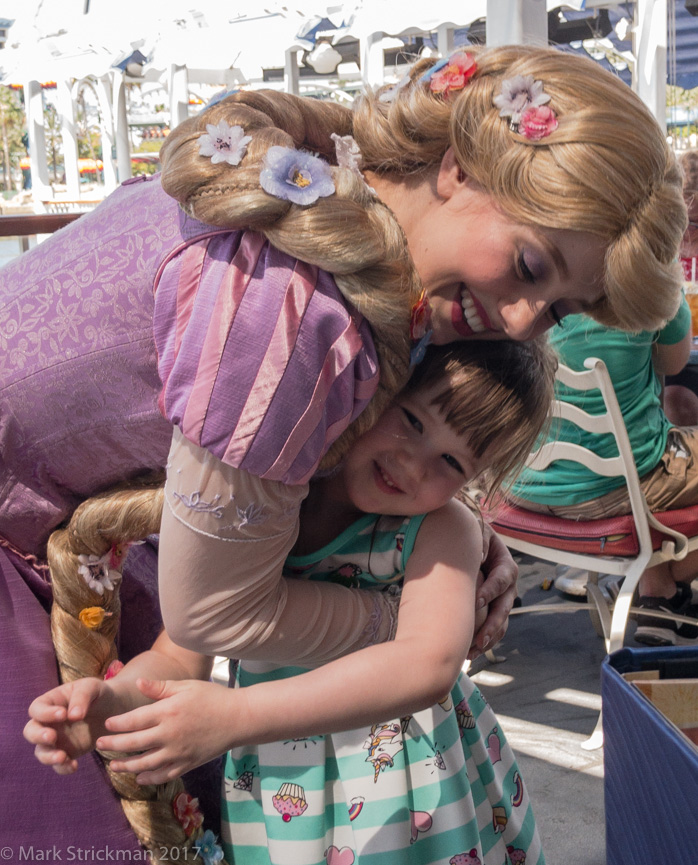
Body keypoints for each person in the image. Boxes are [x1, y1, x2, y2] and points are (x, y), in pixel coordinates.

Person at [2, 42, 687, 848]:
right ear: (460, 164)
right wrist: (420, 608)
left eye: (560, 309)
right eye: (531, 265)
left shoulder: (346, 231)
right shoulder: (295, 309)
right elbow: (211, 613)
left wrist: (455, 548)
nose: (519, 322)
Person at [25, 339, 556, 865]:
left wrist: (236, 715)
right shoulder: (267, 509)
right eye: (413, 421)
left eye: (451, 461)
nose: (413, 467)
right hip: (283, 799)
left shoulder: (442, 529)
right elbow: (181, 655)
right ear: (374, 391)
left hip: (412, 794)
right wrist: (115, 707)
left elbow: (429, 663)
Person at [509, 296, 698, 646]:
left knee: (645, 454)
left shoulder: (533, 287)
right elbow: (675, 360)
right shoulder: (649, 282)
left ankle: (659, 593)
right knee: (650, 462)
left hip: (524, 487)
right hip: (610, 491)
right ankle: (659, 590)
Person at [664, 150, 698, 426]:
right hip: (676, 360)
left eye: (695, 223)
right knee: (676, 404)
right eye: (683, 221)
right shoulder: (662, 256)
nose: (688, 233)